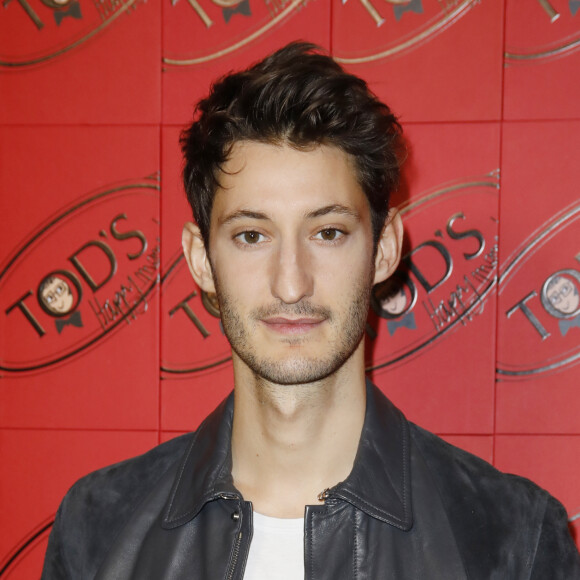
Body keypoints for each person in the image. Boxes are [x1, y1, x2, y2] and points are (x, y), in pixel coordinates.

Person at [41, 42, 580, 579]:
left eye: (328, 232)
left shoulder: (514, 540)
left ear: (384, 248)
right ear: (202, 260)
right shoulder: (96, 532)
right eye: (252, 235)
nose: (291, 282)